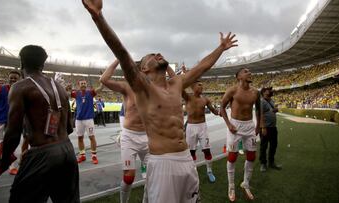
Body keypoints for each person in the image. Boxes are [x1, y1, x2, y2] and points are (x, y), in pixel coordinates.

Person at [83, 1, 238, 201]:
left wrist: (221, 48)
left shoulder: (176, 84)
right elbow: (122, 53)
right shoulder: (143, 89)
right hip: (162, 162)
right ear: (144, 69)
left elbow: (201, 67)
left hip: (186, 159)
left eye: (158, 54)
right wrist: (98, 17)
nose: (158, 55)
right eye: (152, 56)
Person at [0, 45, 79, 202]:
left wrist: (3, 162)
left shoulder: (19, 87)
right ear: (43, 64)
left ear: (21, 64)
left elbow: (13, 132)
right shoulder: (60, 88)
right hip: (68, 151)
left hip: (42, 154)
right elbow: (69, 127)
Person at [100, 59, 149, 203]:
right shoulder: (127, 87)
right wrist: (118, 59)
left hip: (147, 137)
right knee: (129, 177)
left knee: (152, 177)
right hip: (130, 136)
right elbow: (104, 79)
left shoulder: (152, 88)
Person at [220, 67, 262, 201]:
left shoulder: (256, 92)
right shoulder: (232, 90)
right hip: (235, 126)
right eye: (245, 71)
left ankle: (246, 183)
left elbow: (258, 110)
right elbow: (222, 107)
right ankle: (231, 186)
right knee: (232, 157)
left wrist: (258, 125)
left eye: (250, 71)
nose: (249, 73)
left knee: (251, 156)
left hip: (249, 126)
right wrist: (228, 124)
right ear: (238, 77)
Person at [183, 79, 219, 183]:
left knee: (207, 150)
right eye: (199, 85)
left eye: (202, 85)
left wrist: (220, 112)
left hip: (202, 127)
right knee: (191, 151)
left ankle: (209, 171)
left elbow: (213, 110)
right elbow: (180, 87)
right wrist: (186, 76)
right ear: (193, 87)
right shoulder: (187, 97)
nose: (201, 87)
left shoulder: (205, 100)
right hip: (190, 127)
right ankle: (193, 172)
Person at [0, 70, 21, 175]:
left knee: (11, 144)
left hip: (12, 122)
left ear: (19, 79)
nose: (13, 79)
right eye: (11, 77)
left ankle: (12, 167)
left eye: (15, 78)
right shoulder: (0, 89)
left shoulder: (20, 91)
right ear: (8, 78)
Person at [70, 80, 103, 164]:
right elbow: (66, 94)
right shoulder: (76, 93)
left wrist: (102, 81)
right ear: (79, 85)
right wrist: (67, 89)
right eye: (82, 83)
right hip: (79, 119)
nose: (83, 85)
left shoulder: (90, 93)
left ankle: (94, 156)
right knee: (80, 137)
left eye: (84, 83)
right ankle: (82, 155)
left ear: (86, 84)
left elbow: (100, 88)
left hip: (89, 119)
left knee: (92, 137)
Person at [259, 87, 282, 172]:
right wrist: (263, 127)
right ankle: (263, 164)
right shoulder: (261, 102)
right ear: (264, 93)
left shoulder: (271, 100)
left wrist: (275, 110)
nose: (271, 91)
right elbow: (260, 114)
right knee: (263, 146)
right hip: (266, 128)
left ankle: (271, 162)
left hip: (273, 127)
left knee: (273, 145)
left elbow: (270, 111)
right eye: (268, 90)